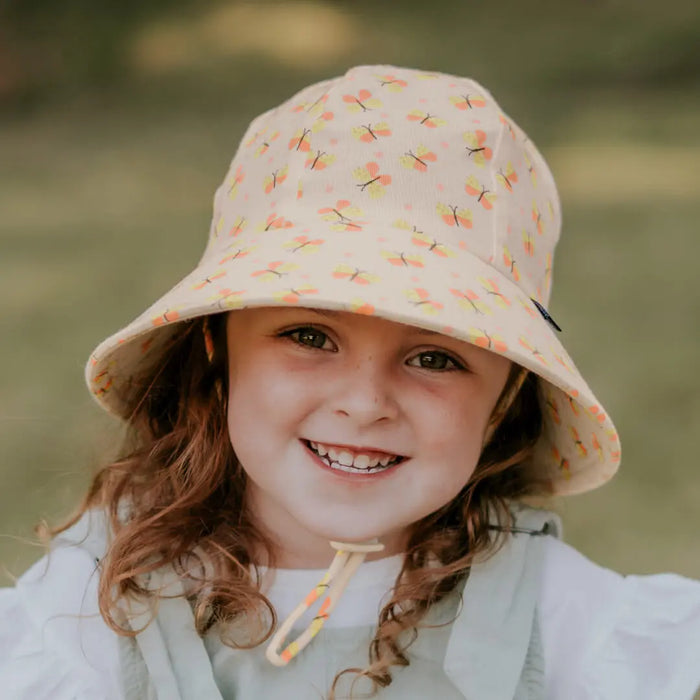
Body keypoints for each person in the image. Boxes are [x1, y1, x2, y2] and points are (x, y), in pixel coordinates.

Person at [0, 64, 698, 700]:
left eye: (435, 358)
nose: (364, 404)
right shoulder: (93, 607)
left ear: (504, 399)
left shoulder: (553, 614)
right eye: (308, 337)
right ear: (217, 348)